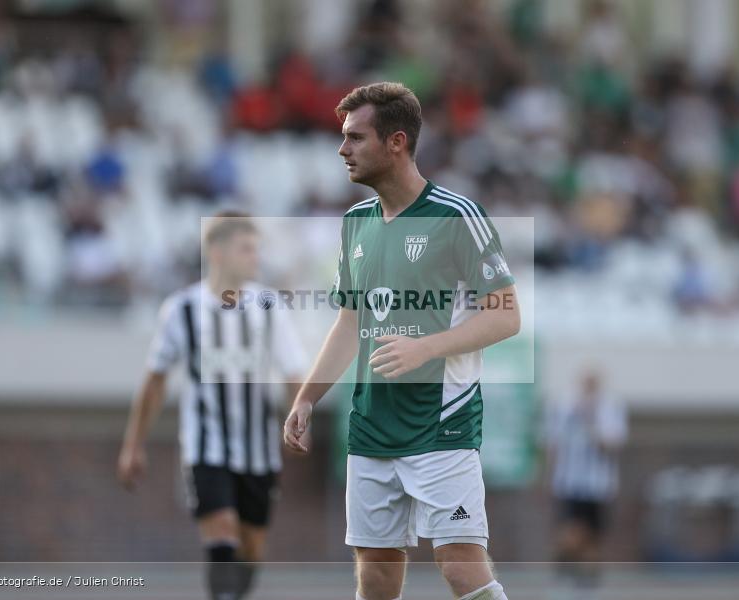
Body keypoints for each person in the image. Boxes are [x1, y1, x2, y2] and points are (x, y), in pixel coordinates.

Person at [284, 82, 521, 600]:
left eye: (355, 138)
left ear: (396, 142)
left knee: (460, 564)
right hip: (371, 426)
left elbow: (506, 317)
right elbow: (350, 322)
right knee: (376, 573)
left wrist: (427, 346)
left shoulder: (457, 216)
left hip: (441, 424)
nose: (342, 149)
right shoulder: (353, 225)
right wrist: (307, 396)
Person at [118, 211, 306, 600]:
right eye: (246, 249)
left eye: (257, 249)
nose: (256, 257)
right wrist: (133, 445)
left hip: (259, 452)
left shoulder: (270, 307)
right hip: (206, 448)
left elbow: (294, 373)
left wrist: (299, 417)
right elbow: (155, 382)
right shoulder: (182, 310)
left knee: (251, 549)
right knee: (222, 533)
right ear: (217, 253)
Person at [545, 368, 627, 598]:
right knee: (571, 533)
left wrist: (591, 421)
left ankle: (587, 584)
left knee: (593, 536)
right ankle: (563, 574)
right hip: (570, 482)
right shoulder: (564, 405)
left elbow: (612, 444)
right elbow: (553, 442)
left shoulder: (609, 407)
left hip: (598, 484)